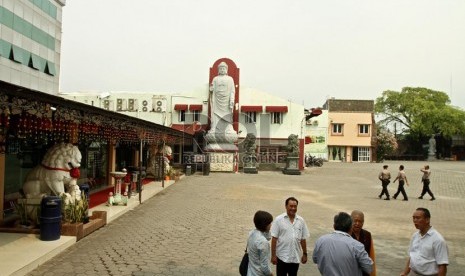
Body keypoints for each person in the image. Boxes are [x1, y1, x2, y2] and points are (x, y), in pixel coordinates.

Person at [313, 212, 373, 276]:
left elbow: (315, 259)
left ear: (334, 226)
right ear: (351, 228)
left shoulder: (321, 240)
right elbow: (369, 268)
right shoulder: (356, 246)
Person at [400, 208, 448, 276]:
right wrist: (405, 273)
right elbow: (412, 257)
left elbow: (442, 266)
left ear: (427, 220)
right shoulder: (415, 236)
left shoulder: (438, 240)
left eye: (418, 218)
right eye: (413, 218)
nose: (415, 220)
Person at [271, 197, 310, 276]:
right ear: (286, 206)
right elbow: (274, 238)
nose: (293, 208)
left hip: (295, 258)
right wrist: (273, 256)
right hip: (282, 257)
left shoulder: (301, 221)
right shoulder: (278, 220)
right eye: (291, 206)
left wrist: (305, 254)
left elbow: (303, 239)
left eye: (295, 206)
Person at [209, 61, 235, 134]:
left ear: (226, 70)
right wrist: (211, 90)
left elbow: (232, 91)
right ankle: (214, 128)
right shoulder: (215, 79)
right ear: (218, 70)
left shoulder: (230, 79)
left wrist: (232, 100)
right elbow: (212, 89)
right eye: (220, 68)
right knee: (215, 114)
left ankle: (228, 128)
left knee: (227, 114)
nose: (222, 70)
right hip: (217, 100)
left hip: (226, 101)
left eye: (223, 68)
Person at [247, 210, 274, 276]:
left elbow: (268, 237)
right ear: (265, 225)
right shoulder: (263, 242)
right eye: (269, 223)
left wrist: (267, 230)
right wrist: (271, 274)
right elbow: (264, 266)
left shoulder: (251, 233)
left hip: (250, 272)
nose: (271, 225)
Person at [351, 210, 376, 276]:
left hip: (365, 272)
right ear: (350, 221)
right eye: (355, 221)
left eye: (360, 221)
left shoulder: (367, 235)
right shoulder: (347, 235)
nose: (357, 223)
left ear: (363, 223)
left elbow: (371, 256)